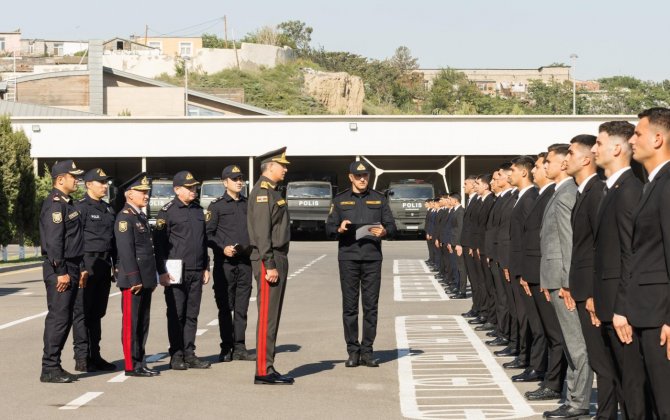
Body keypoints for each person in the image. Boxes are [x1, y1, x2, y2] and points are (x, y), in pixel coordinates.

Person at [591, 121, 648, 419]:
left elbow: (631, 253)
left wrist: (623, 307)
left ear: (616, 148)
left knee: (633, 385)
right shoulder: (611, 189)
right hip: (607, 302)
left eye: (599, 144)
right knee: (620, 380)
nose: (594, 149)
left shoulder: (628, 191)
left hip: (620, 307)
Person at [616, 107, 670, 418]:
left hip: (659, 316)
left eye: (638, 133)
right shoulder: (653, 182)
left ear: (658, 138)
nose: (632, 140)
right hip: (645, 312)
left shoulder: (667, 183)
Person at [566, 134, 621, 419]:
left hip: (592, 290)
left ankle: (608, 412)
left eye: (571, 153)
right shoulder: (584, 191)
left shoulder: (597, 192)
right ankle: (608, 411)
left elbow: (599, 247)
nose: (566, 159)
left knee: (603, 358)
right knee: (600, 356)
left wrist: (590, 293)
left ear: (586, 159)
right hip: (584, 287)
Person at [326, 160, 397, 368]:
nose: (362, 179)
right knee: (349, 307)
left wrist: (384, 231)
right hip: (348, 257)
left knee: (370, 306)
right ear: (351, 178)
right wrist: (339, 228)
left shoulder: (379, 199)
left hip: (372, 258)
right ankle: (352, 351)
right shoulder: (340, 200)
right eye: (358, 176)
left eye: (365, 175)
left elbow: (392, 227)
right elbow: (328, 229)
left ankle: (367, 351)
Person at [540, 143, 593, 419]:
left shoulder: (566, 194)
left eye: (548, 161)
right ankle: (573, 397)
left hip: (563, 281)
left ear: (563, 164)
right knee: (572, 343)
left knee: (576, 343)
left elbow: (568, 242)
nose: (545, 165)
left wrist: (567, 282)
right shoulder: (560, 192)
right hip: (555, 277)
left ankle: (578, 401)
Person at [154, 171, 211, 370]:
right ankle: (176, 354)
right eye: (189, 188)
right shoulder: (167, 211)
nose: (193, 190)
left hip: (196, 268)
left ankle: (190, 353)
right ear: (177, 189)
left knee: (192, 314)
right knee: (176, 313)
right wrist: (161, 271)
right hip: (175, 270)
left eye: (194, 187)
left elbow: (203, 241)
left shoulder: (198, 210)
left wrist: (206, 266)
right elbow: (159, 244)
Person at [522, 153, 567, 401]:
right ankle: (551, 378)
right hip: (540, 272)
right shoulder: (545, 195)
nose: (538, 169)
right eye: (541, 164)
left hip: (551, 274)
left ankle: (555, 382)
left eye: (541, 165)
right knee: (548, 331)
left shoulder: (555, 194)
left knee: (555, 334)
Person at [247, 147, 294, 385]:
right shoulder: (263, 192)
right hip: (270, 258)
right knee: (267, 316)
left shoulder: (273, 191)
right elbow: (262, 233)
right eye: (282, 165)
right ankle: (263, 370)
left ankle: (268, 366)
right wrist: (270, 263)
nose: (285, 169)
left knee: (272, 316)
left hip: (277, 256)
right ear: (270, 167)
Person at [39, 160, 86, 383]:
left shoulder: (68, 203)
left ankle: (54, 365)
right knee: (58, 318)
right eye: (73, 176)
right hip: (61, 267)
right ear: (60, 179)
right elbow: (54, 241)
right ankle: (49, 367)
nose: (77, 180)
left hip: (72, 266)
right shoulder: (56, 205)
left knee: (65, 318)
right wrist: (61, 271)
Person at [206, 165, 256, 362]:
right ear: (225, 182)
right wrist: (222, 248)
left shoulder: (248, 204)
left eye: (240, 178)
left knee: (242, 307)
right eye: (234, 179)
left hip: (245, 262)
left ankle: (240, 346)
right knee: (225, 307)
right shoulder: (216, 206)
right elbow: (208, 235)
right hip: (225, 264)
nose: (239, 182)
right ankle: (226, 346)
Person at [71, 168, 117, 372]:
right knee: (81, 313)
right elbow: (74, 241)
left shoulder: (108, 210)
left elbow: (113, 242)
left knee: (97, 313)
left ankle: (95, 355)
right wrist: (80, 267)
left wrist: (116, 266)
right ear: (88, 184)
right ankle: (82, 357)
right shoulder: (79, 208)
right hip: (86, 266)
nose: (105, 186)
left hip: (104, 265)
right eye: (101, 182)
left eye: (106, 182)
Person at [115, 175, 159, 377]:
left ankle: (140, 361)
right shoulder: (124, 218)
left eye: (147, 192)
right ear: (129, 194)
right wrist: (134, 278)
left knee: (142, 323)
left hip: (145, 279)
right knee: (131, 324)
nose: (146, 195)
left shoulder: (139, 216)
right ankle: (131, 364)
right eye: (142, 192)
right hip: (134, 281)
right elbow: (126, 251)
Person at [507, 156, 542, 380]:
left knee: (532, 320)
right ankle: (527, 357)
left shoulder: (530, 198)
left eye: (511, 171)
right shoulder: (521, 197)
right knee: (523, 315)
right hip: (519, 265)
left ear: (523, 173)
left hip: (527, 267)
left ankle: (535, 364)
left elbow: (531, 238)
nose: (509, 175)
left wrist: (524, 270)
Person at [447, 192, 467, 299]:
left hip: (458, 244)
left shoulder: (460, 211)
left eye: (450, 199)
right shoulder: (455, 211)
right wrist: (451, 242)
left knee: (462, 268)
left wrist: (459, 244)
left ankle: (462, 291)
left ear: (455, 200)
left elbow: (460, 228)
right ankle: (458, 288)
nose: (449, 201)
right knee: (458, 267)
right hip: (454, 242)